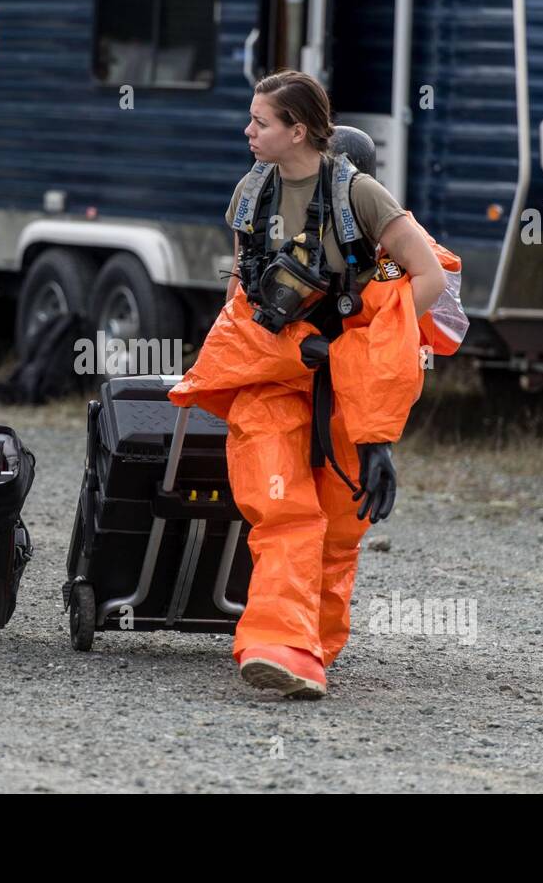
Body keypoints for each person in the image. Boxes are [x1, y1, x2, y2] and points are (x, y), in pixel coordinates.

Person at [168, 71, 467, 699]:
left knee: (338, 526)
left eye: (261, 121)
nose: (248, 131)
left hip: (346, 383)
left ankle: (312, 648)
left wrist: (364, 368)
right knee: (282, 509)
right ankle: (281, 643)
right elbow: (240, 299)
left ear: (297, 130)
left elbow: (427, 278)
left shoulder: (362, 199)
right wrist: (287, 347)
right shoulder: (250, 197)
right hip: (273, 376)